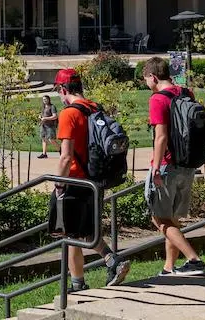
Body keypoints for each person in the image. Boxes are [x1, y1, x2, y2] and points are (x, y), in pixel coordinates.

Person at [51, 69, 130, 291]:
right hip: (95, 180)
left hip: (75, 181)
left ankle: (77, 284)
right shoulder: (94, 108)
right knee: (86, 231)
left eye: (58, 91)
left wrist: (59, 184)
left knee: (69, 235)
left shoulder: (68, 114)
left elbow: (66, 156)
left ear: (63, 89)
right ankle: (111, 260)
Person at [141, 57, 205, 275]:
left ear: (153, 76)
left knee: (158, 218)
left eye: (145, 80)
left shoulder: (157, 99)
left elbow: (160, 137)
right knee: (173, 220)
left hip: (168, 165)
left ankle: (194, 259)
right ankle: (169, 267)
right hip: (187, 163)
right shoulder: (186, 93)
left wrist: (156, 168)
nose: (146, 84)